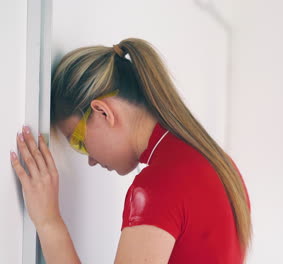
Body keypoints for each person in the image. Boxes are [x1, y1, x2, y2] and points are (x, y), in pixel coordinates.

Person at [10, 38, 251, 264]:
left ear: (103, 112)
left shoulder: (159, 185)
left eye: (79, 142)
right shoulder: (218, 164)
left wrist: (49, 221)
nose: (91, 161)